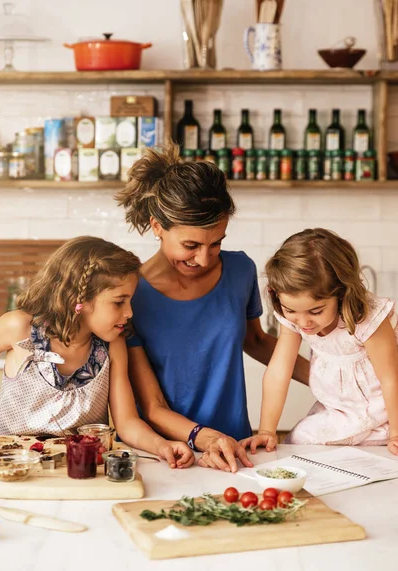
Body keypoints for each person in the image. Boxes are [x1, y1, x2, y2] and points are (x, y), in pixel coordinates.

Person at [115, 145, 309, 473]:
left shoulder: (239, 271)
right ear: (157, 227)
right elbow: (151, 405)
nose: (204, 259)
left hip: (236, 448)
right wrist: (203, 438)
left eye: (216, 243)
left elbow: (257, 341)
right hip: (167, 454)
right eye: (190, 245)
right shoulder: (130, 295)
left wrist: (337, 380)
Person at [0, 236, 194, 468]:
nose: (130, 312)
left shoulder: (113, 346)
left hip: (79, 469)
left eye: (130, 301)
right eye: (118, 302)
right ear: (78, 300)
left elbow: (127, 422)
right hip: (12, 468)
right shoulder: (20, 328)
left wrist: (162, 445)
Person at [241, 228, 398, 456]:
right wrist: (266, 429)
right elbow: (279, 371)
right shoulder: (294, 317)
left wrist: (396, 432)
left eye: (316, 311)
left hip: (388, 411)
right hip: (339, 412)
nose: (303, 322)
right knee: (299, 441)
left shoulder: (367, 317)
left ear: (342, 294)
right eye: (290, 309)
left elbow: (390, 377)